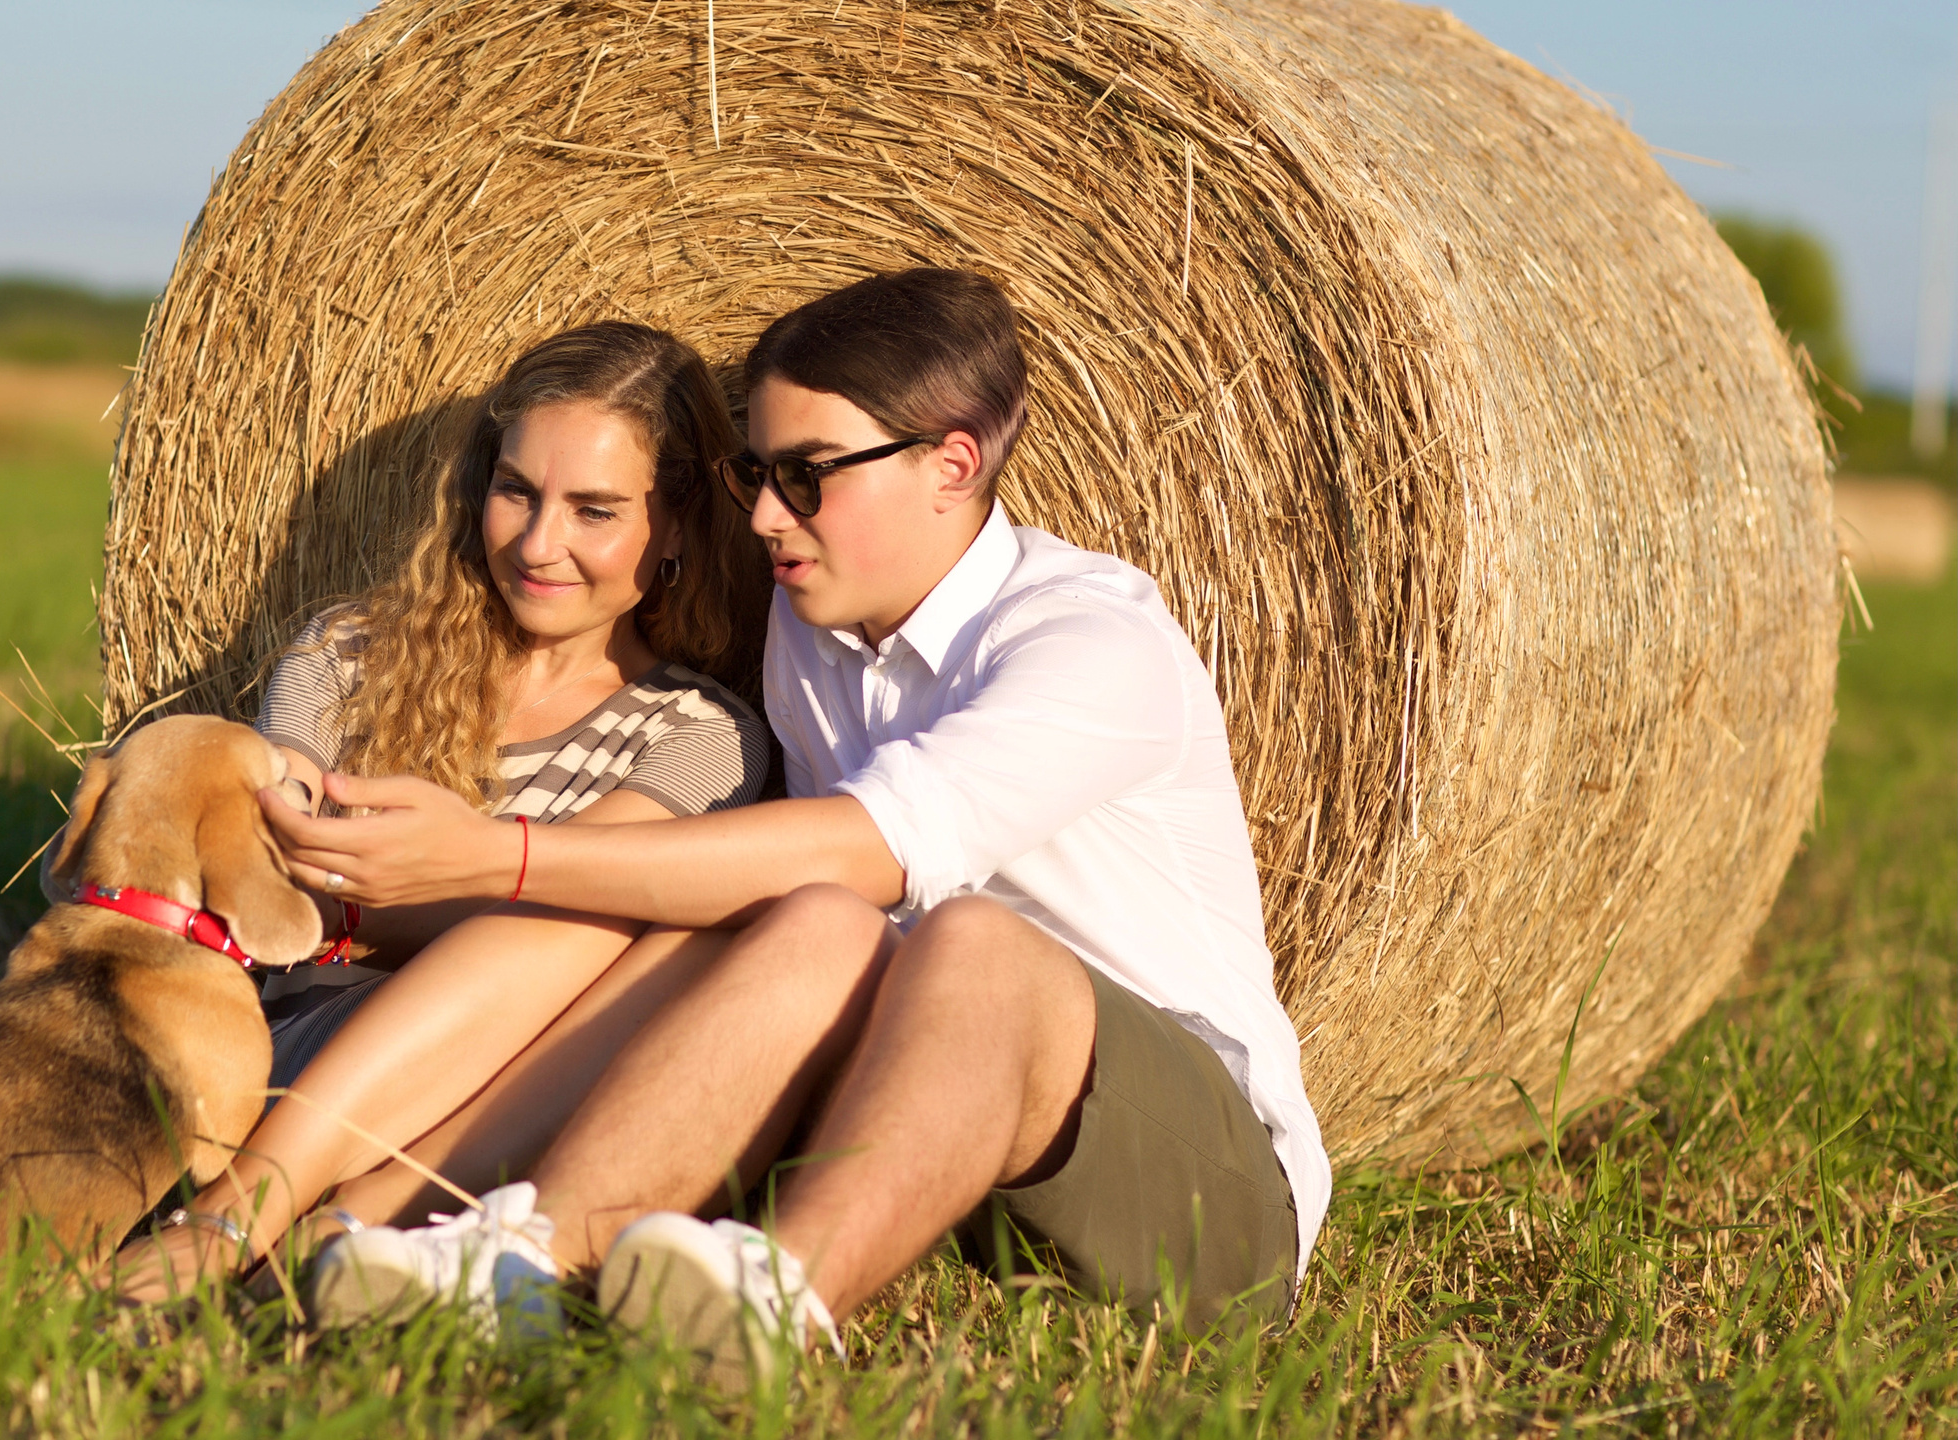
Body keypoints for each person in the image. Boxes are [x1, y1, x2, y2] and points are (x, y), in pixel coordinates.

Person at [258, 269, 1331, 1380]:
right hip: (912, 1141)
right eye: (755, 474)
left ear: (952, 463)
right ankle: (517, 1256)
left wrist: (494, 854)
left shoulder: (1087, 642)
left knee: (963, 937)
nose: (765, 515)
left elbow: (875, 846)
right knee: (808, 920)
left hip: (1192, 1193)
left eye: (808, 476)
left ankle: (775, 1299)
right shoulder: (803, 638)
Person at [99, 321, 775, 1302]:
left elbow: (584, 909)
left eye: (594, 511)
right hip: (267, 1051)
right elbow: (261, 856)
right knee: (577, 907)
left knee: (604, 919)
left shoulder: (699, 735)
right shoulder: (351, 654)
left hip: (498, 1100)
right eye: (517, 492)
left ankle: (335, 1221)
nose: (541, 544)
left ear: (672, 526)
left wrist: (358, 902)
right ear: (476, 488)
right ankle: (272, 1210)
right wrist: (442, 884)